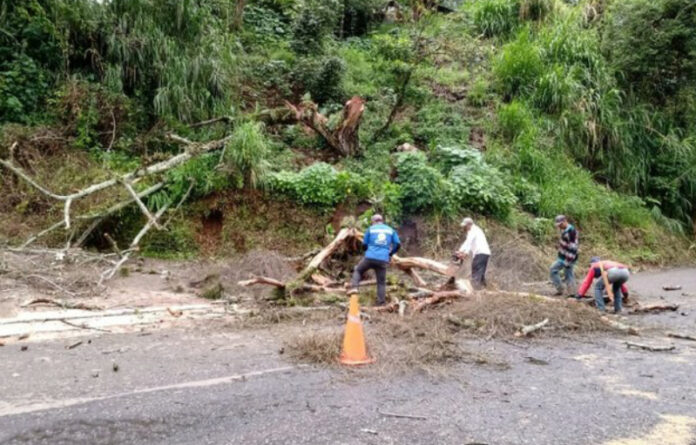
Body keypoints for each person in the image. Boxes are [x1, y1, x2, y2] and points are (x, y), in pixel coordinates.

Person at [349, 214, 401, 306]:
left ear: (373, 221)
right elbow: (398, 244)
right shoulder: (390, 230)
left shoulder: (370, 229)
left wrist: (367, 250)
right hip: (383, 260)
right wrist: (390, 253)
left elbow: (364, 244)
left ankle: (354, 288)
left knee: (358, 270)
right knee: (381, 282)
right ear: (382, 221)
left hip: (369, 257)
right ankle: (381, 302)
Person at [454, 217, 490, 289]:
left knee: (476, 270)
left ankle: (475, 289)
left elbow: (468, 242)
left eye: (465, 226)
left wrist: (461, 252)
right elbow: (468, 244)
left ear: (469, 224)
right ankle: (485, 288)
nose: (464, 228)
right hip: (483, 253)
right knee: (480, 272)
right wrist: (462, 252)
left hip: (481, 253)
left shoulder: (473, 231)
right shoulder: (475, 231)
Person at [550, 215, 578, 296]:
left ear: (565, 221)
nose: (559, 226)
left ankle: (572, 294)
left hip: (568, 258)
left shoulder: (571, 231)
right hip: (562, 257)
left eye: (561, 224)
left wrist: (568, 261)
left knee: (568, 275)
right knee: (553, 270)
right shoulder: (565, 230)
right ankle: (560, 289)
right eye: (558, 225)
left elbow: (573, 248)